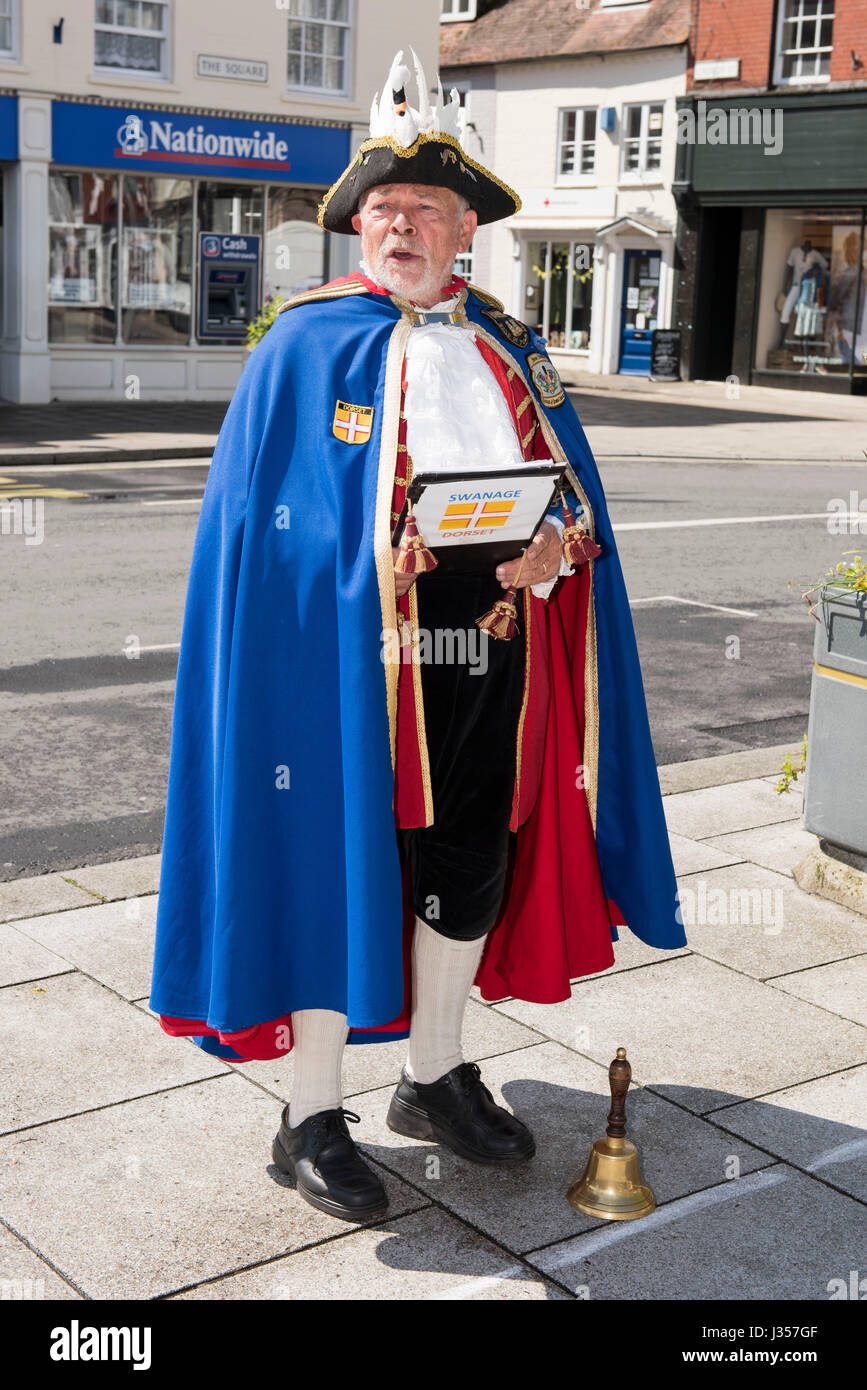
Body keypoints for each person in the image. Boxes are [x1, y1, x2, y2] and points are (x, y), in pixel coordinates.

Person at [149, 50, 686, 1224]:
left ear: (465, 234)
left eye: (425, 213)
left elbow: (573, 498)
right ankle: (307, 1111)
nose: (402, 228)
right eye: (384, 211)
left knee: (472, 857)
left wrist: (556, 551)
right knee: (337, 864)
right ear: (359, 229)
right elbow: (258, 533)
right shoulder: (301, 345)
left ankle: (432, 1072)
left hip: (492, 638)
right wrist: (362, 561)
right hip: (343, 662)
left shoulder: (510, 346)